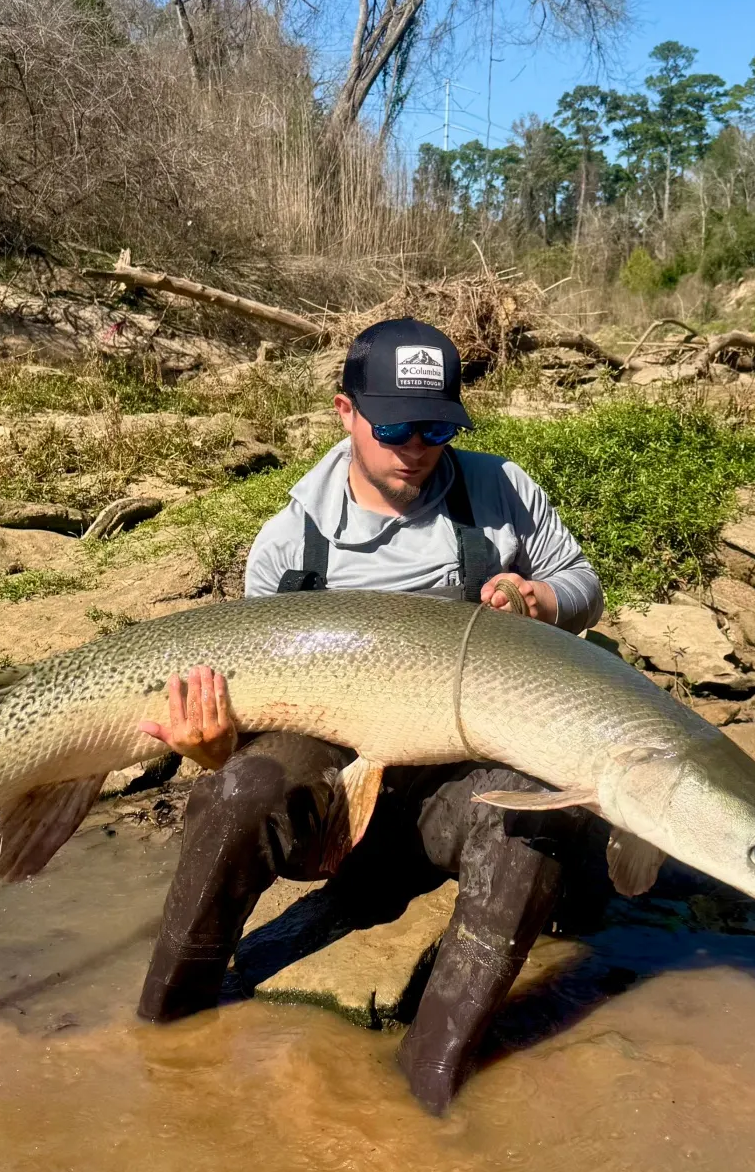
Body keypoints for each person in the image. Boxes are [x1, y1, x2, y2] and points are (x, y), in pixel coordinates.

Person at [135, 317, 605, 1112]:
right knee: (236, 788)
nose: (416, 447)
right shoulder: (288, 545)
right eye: (394, 425)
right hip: (334, 812)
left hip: (456, 792)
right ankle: (162, 1039)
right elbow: (263, 727)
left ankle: (429, 1091)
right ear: (343, 412)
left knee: (532, 817)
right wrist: (211, 751)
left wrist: (543, 598)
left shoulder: (502, 493)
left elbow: (582, 582)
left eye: (436, 426)